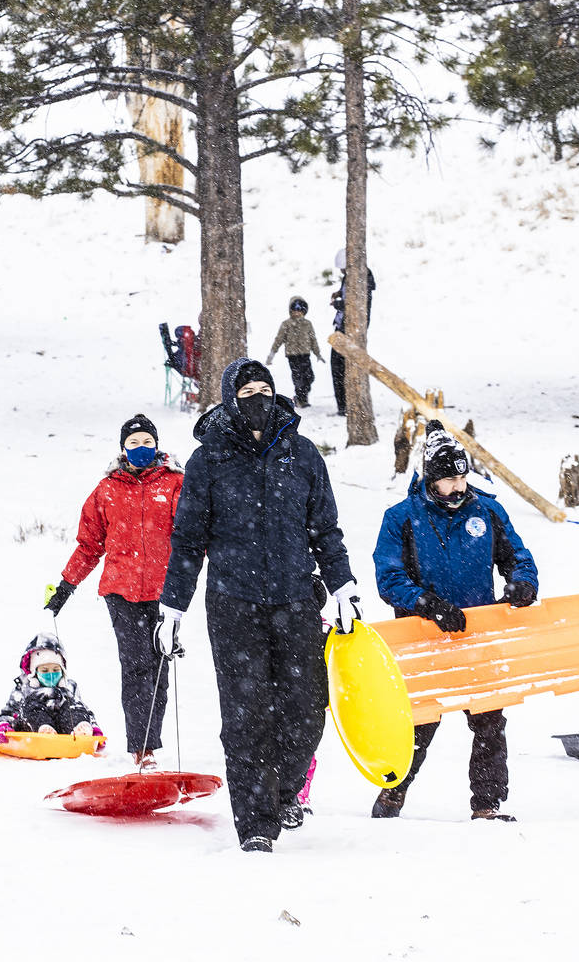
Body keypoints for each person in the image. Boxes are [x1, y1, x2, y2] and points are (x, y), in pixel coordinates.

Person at [157, 358, 358, 853]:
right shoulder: (209, 461)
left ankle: (281, 793)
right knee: (246, 719)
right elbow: (187, 541)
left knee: (308, 711)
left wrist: (343, 588)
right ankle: (256, 829)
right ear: (229, 398)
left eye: (265, 388)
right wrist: (173, 608)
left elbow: (325, 531)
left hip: (296, 600)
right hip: (233, 605)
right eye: (246, 390)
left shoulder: (303, 455)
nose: (257, 397)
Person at [372, 421, 537, 822]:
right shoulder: (402, 517)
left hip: (477, 635)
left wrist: (522, 585)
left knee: (490, 723)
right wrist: (427, 604)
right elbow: (389, 577)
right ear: (431, 478)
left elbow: (519, 558)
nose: (458, 486)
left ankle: (487, 804)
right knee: (418, 726)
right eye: (449, 479)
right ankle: (393, 793)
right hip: (422, 637)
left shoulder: (488, 510)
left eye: (462, 476)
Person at [42, 414, 183, 768]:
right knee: (136, 667)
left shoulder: (176, 484)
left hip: (166, 593)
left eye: (146, 442)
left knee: (159, 669)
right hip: (121, 592)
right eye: (133, 443)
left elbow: (193, 537)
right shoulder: (106, 490)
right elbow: (89, 546)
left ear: (157, 445)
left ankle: (151, 740)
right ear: (123, 449)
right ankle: (142, 749)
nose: (140, 448)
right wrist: (65, 587)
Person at [0, 633, 103, 742]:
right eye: (45, 670)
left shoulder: (69, 686)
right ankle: (44, 730)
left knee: (73, 706)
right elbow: (8, 712)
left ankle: (81, 730)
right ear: (34, 672)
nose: (51, 674)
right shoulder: (24, 688)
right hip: (32, 730)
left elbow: (84, 709)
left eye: (56, 670)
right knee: (31, 706)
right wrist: (3, 726)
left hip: (62, 730)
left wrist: (94, 727)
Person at [329, 248, 375, 416]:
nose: (341, 272)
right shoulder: (352, 277)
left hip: (350, 330)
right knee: (339, 366)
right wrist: (339, 294)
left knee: (340, 367)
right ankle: (343, 405)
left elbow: (355, 304)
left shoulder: (359, 277)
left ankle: (345, 406)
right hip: (344, 327)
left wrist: (338, 304)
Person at [266, 296, 324, 408]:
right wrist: (272, 354)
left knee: (309, 377)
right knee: (298, 378)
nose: (297, 313)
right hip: (292, 356)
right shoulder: (286, 324)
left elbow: (313, 339)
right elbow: (278, 339)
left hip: (305, 354)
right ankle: (301, 400)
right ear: (291, 311)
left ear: (304, 311)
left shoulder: (307, 324)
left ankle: (302, 397)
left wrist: (317, 353)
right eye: (295, 310)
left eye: (300, 310)